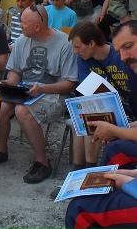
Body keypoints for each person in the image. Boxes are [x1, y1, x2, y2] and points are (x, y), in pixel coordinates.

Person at [0, 4, 79, 184]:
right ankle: (0, 151)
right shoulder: (22, 40)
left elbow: (71, 83)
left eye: (23, 22)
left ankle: (43, 162)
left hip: (54, 94)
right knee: (0, 106)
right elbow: (14, 70)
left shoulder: (65, 43)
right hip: (26, 89)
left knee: (22, 110)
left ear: (37, 26)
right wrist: (11, 83)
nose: (19, 25)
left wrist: (42, 89)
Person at [65, 21, 137, 229]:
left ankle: (96, 186)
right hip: (116, 111)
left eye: (128, 46)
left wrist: (116, 129)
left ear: (92, 43)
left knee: (79, 210)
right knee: (110, 145)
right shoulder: (85, 61)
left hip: (127, 112)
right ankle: (90, 181)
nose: (124, 57)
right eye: (120, 51)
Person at [68, 21, 137, 170]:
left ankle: (90, 168)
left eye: (78, 47)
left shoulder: (122, 58)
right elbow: (88, 90)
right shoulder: (84, 60)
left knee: (94, 121)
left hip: (129, 109)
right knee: (82, 121)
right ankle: (78, 170)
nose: (75, 52)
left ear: (91, 43)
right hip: (106, 105)